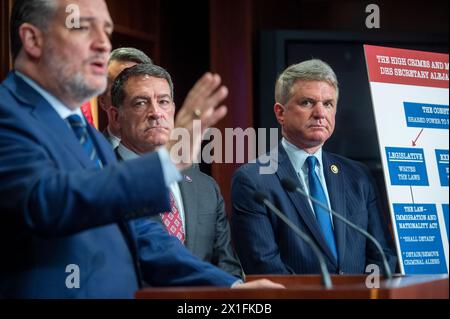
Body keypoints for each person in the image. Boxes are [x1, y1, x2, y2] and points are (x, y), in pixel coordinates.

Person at [0, 0, 282, 298]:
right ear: (33, 40)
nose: (102, 44)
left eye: (106, 30)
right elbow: (46, 201)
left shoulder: (87, 137)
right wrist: (164, 162)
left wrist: (233, 287)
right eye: (82, 26)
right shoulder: (8, 114)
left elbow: (140, 235)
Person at [231, 59, 398, 275]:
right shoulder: (254, 180)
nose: (320, 113)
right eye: (308, 102)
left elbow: (381, 255)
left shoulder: (358, 176)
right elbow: (265, 267)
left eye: (328, 104)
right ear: (280, 113)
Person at [111, 63, 244, 279]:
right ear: (116, 117)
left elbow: (227, 266)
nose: (155, 113)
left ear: (173, 109)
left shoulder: (206, 187)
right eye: (140, 103)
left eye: (163, 102)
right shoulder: (105, 177)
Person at [97, 47, 153, 149]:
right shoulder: (90, 154)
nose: (133, 97)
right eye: (119, 87)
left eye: (139, 88)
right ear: (103, 100)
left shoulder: (176, 155)